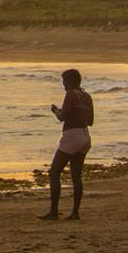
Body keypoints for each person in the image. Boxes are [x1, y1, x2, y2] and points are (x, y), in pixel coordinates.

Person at [40, 69, 93, 221]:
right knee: (76, 175)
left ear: (70, 82)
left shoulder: (71, 94)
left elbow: (62, 118)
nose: (63, 85)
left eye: (64, 82)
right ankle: (75, 213)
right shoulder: (87, 96)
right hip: (85, 136)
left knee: (55, 171)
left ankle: (54, 212)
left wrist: (56, 111)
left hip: (72, 135)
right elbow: (90, 121)